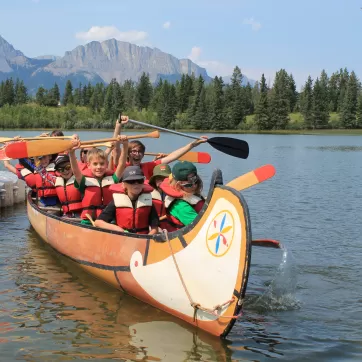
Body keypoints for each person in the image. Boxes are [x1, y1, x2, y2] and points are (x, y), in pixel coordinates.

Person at [116, 118, 207, 180]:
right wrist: (118, 126)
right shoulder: (122, 166)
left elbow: (173, 156)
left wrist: (192, 144)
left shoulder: (147, 166)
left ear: (143, 155)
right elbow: (116, 150)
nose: (137, 154)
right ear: (128, 154)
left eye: (140, 152)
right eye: (134, 151)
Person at [69, 136, 129, 224]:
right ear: (88, 165)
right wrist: (72, 152)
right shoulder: (84, 181)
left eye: (102, 164)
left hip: (108, 221)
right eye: (95, 164)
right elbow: (75, 170)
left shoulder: (113, 179)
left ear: (107, 164)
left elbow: (122, 164)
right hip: (89, 221)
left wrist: (125, 146)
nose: (99, 167)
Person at [95, 166, 159, 235]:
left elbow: (155, 228)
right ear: (123, 185)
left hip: (143, 240)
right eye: (131, 181)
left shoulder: (149, 202)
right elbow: (98, 222)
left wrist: (147, 238)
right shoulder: (117, 201)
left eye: (139, 180)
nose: (136, 183)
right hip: (123, 239)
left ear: (143, 182)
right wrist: (117, 229)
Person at [159, 161, 205, 231]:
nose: (194, 186)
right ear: (178, 185)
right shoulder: (180, 206)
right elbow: (201, 227)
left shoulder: (191, 194)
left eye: (196, 181)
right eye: (189, 185)